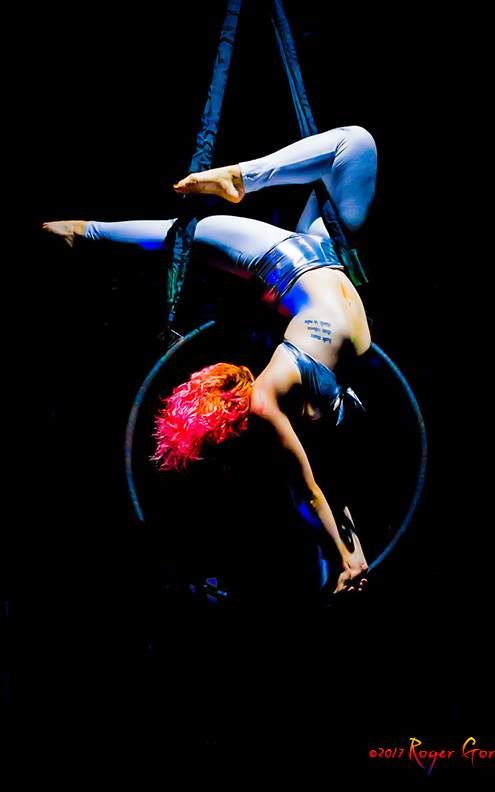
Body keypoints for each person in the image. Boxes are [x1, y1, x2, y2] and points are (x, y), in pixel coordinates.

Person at [43, 125, 377, 595]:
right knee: (356, 145)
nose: (221, 373)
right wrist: (351, 556)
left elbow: (312, 491)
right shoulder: (287, 411)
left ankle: (86, 232)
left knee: (181, 235)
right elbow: (321, 489)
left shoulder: (272, 400)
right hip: (325, 252)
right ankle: (87, 233)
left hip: (280, 260)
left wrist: (343, 556)